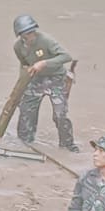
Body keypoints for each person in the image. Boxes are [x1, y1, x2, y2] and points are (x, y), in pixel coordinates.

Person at [12, 15, 78, 151]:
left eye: (32, 32)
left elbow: (66, 56)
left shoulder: (46, 41)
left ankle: (67, 145)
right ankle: (25, 142)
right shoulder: (18, 47)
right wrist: (22, 82)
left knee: (60, 114)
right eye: (27, 33)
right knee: (26, 111)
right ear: (21, 35)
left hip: (56, 79)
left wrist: (45, 63)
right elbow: (24, 64)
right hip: (36, 79)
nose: (31, 36)